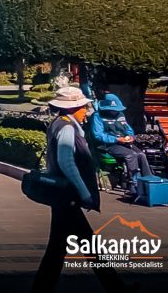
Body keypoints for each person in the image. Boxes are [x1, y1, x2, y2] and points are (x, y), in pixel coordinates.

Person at [32, 87, 126, 293]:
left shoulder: (59, 124)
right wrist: (84, 193)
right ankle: (117, 288)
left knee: (61, 247)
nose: (86, 110)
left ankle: (42, 288)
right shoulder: (66, 128)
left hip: (63, 196)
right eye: (84, 107)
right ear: (74, 108)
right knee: (83, 245)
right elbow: (67, 162)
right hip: (68, 197)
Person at [91, 92, 153, 198]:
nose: (115, 112)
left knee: (141, 154)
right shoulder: (97, 116)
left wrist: (130, 136)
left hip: (124, 142)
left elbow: (128, 129)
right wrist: (116, 139)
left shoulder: (120, 115)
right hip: (108, 145)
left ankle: (149, 181)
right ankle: (133, 185)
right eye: (113, 110)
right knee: (131, 155)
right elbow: (98, 135)